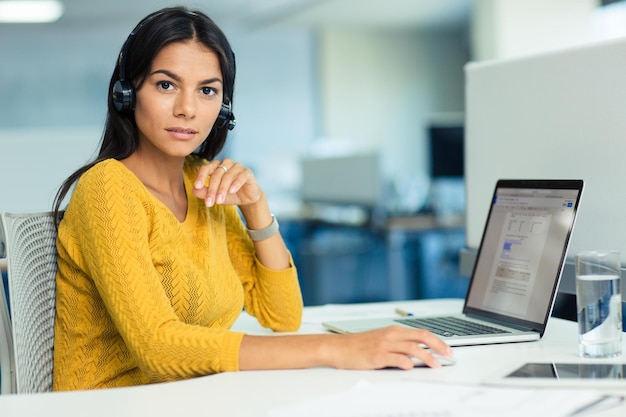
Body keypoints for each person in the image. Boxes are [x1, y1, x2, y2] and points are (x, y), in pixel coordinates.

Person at [51, 6, 453, 392]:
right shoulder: (107, 189)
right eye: (166, 85)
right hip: (111, 403)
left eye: (207, 90)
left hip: (190, 397)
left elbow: (283, 315)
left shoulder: (204, 185)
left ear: (223, 108)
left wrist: (256, 208)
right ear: (127, 92)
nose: (187, 108)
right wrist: (337, 348)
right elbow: (158, 346)